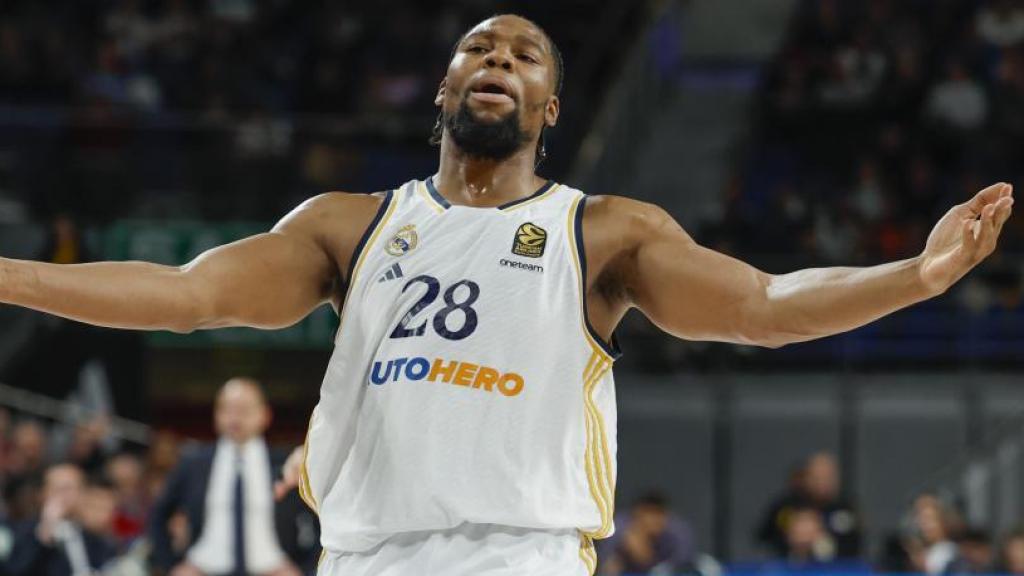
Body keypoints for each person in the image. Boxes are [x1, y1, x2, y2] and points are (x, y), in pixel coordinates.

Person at [0, 13, 1015, 576]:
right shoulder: (348, 226)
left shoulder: (603, 229)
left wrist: (916, 276)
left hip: (517, 558)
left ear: (550, 106)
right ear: (444, 92)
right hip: (361, 559)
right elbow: (180, 294)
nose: (498, 60)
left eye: (523, 54)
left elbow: (762, 304)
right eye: (478, 49)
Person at [148, 378, 317, 576]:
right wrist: (172, 565)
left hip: (272, 568)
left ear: (265, 415)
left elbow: (318, 515)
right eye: (227, 410)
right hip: (203, 568)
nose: (235, 418)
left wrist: (304, 568)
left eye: (244, 410)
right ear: (216, 415)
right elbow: (158, 515)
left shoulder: (286, 462)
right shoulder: (193, 463)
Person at [5, 463, 118, 576]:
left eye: (75, 489)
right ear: (42, 493)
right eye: (61, 489)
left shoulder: (92, 534)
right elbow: (16, 570)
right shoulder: (25, 531)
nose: (68, 496)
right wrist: (45, 533)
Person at [757, 452, 861, 558]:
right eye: (817, 476)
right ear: (807, 477)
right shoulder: (787, 505)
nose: (822, 482)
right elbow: (763, 537)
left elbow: (855, 545)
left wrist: (822, 541)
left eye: (828, 476)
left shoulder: (844, 509)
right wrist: (791, 538)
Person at [597, 492, 695, 575]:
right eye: (649, 514)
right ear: (637, 513)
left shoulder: (677, 530)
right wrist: (623, 553)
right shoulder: (619, 527)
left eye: (658, 514)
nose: (653, 521)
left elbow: (684, 563)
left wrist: (648, 557)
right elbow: (605, 566)